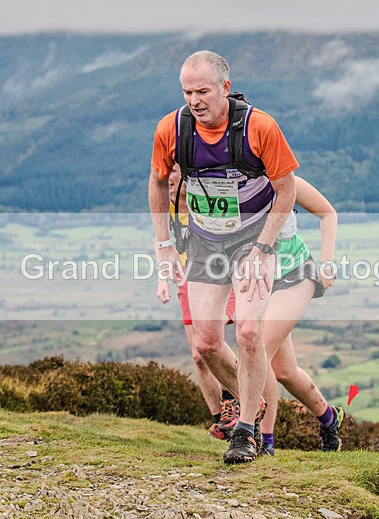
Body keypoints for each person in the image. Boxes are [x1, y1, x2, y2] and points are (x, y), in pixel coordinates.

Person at [149, 50, 298, 464]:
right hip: (204, 240)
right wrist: (163, 244)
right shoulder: (172, 128)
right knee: (207, 343)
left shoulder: (259, 126)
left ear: (225, 88)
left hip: (253, 238)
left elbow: (286, 190)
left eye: (202, 91)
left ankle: (246, 431)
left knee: (248, 332)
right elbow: (157, 183)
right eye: (187, 92)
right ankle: (254, 398)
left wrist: (263, 248)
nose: (194, 100)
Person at [258, 176, 344, 455]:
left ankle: (264, 442)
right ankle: (329, 418)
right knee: (284, 371)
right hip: (259, 280)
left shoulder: (286, 180)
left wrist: (327, 264)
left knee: (259, 351)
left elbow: (328, 213)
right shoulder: (233, 182)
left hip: (296, 273)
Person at [156, 164, 240, 438]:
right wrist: (162, 279)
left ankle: (235, 401)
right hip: (186, 280)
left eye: (173, 172)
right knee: (198, 355)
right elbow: (161, 241)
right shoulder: (165, 205)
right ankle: (220, 421)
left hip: (217, 277)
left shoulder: (202, 199)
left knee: (211, 341)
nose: (168, 179)